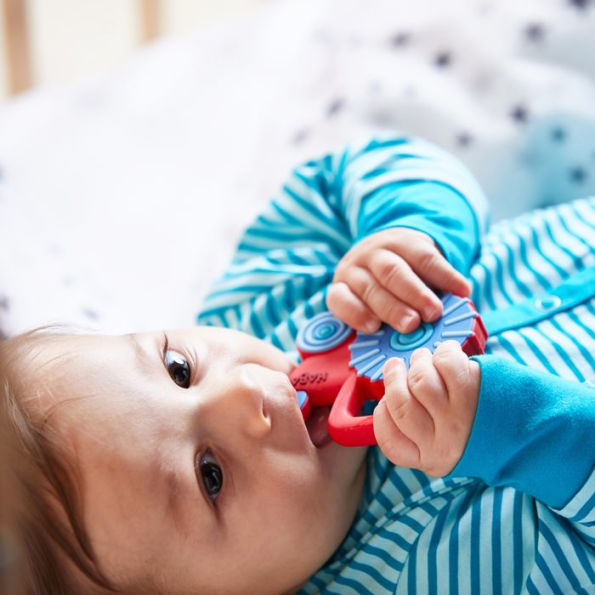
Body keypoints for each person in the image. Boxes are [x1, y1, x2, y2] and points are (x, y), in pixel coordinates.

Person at [1, 134, 593, 593]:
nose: (242, 396)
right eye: (211, 476)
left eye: (178, 367)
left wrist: (406, 231)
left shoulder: (260, 305)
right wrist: (513, 429)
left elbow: (348, 173)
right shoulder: (420, 571)